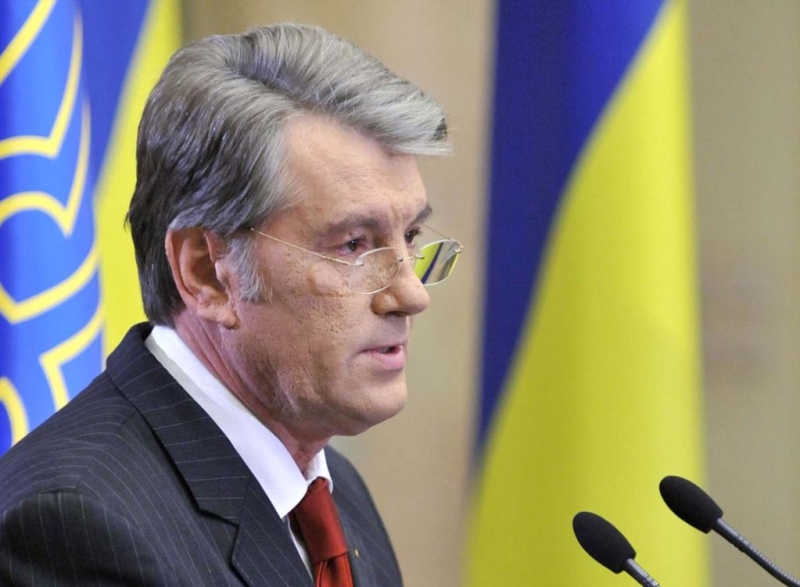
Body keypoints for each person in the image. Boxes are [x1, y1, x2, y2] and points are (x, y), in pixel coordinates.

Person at [0, 23, 461, 586]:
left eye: (410, 237)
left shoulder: (337, 494)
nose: (411, 294)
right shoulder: (77, 525)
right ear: (207, 273)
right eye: (353, 245)